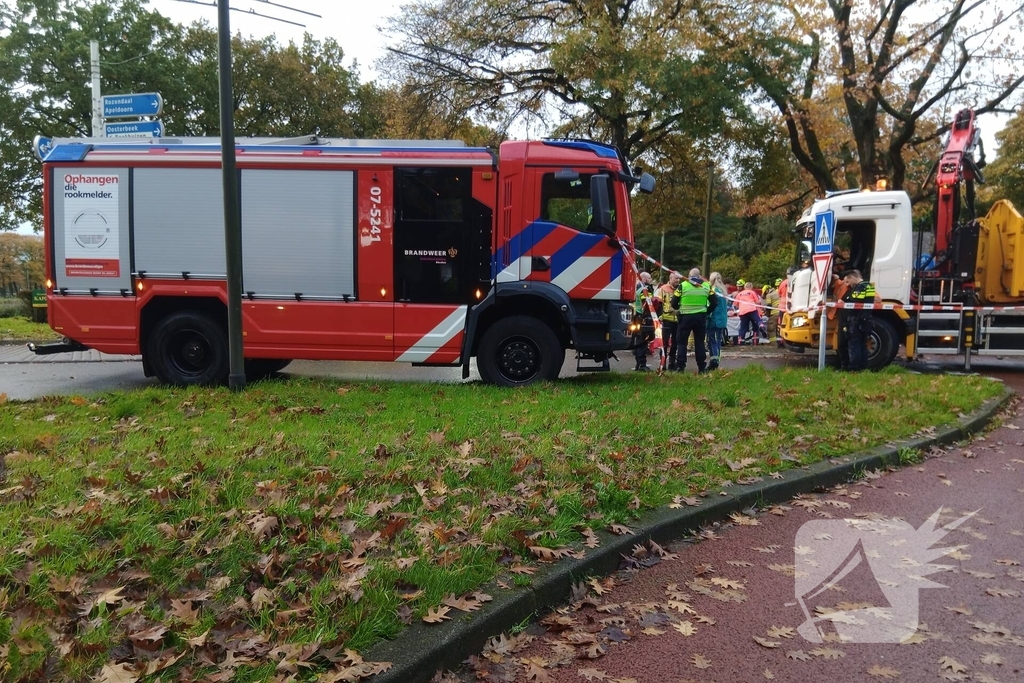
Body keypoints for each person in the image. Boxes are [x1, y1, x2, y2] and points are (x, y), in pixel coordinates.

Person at [671, 267, 714, 373]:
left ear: (689, 276)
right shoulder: (706, 286)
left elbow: (673, 303)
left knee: (682, 343)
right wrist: (706, 312)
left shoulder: (683, 286)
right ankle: (702, 368)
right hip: (700, 318)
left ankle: (680, 367)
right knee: (699, 342)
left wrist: (678, 309)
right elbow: (714, 302)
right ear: (699, 276)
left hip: (685, 318)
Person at [841, 269, 877, 371]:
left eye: (848, 281)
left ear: (852, 277)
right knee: (862, 344)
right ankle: (863, 367)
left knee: (854, 344)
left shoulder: (860, 287)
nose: (848, 284)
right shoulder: (869, 285)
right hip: (866, 319)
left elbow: (855, 302)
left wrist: (845, 302)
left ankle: (854, 368)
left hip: (856, 319)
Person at [657, 273, 681, 370]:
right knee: (664, 343)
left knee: (675, 343)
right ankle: (663, 363)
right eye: (676, 278)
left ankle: (672, 362)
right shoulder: (663, 289)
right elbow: (658, 303)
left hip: (677, 320)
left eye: (679, 279)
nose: (678, 280)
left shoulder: (680, 289)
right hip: (666, 319)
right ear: (670, 278)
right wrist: (660, 316)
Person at [706, 271, 729, 371]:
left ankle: (714, 362)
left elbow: (711, 305)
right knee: (718, 341)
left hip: (714, 320)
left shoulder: (714, 290)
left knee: (712, 341)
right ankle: (717, 361)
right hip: (722, 320)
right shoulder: (723, 290)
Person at [633, 273, 656, 371]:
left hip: (637, 316)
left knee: (638, 341)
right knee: (643, 341)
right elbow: (647, 303)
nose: (651, 279)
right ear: (644, 279)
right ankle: (642, 365)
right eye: (650, 278)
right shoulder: (644, 289)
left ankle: (639, 363)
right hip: (644, 317)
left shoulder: (637, 287)